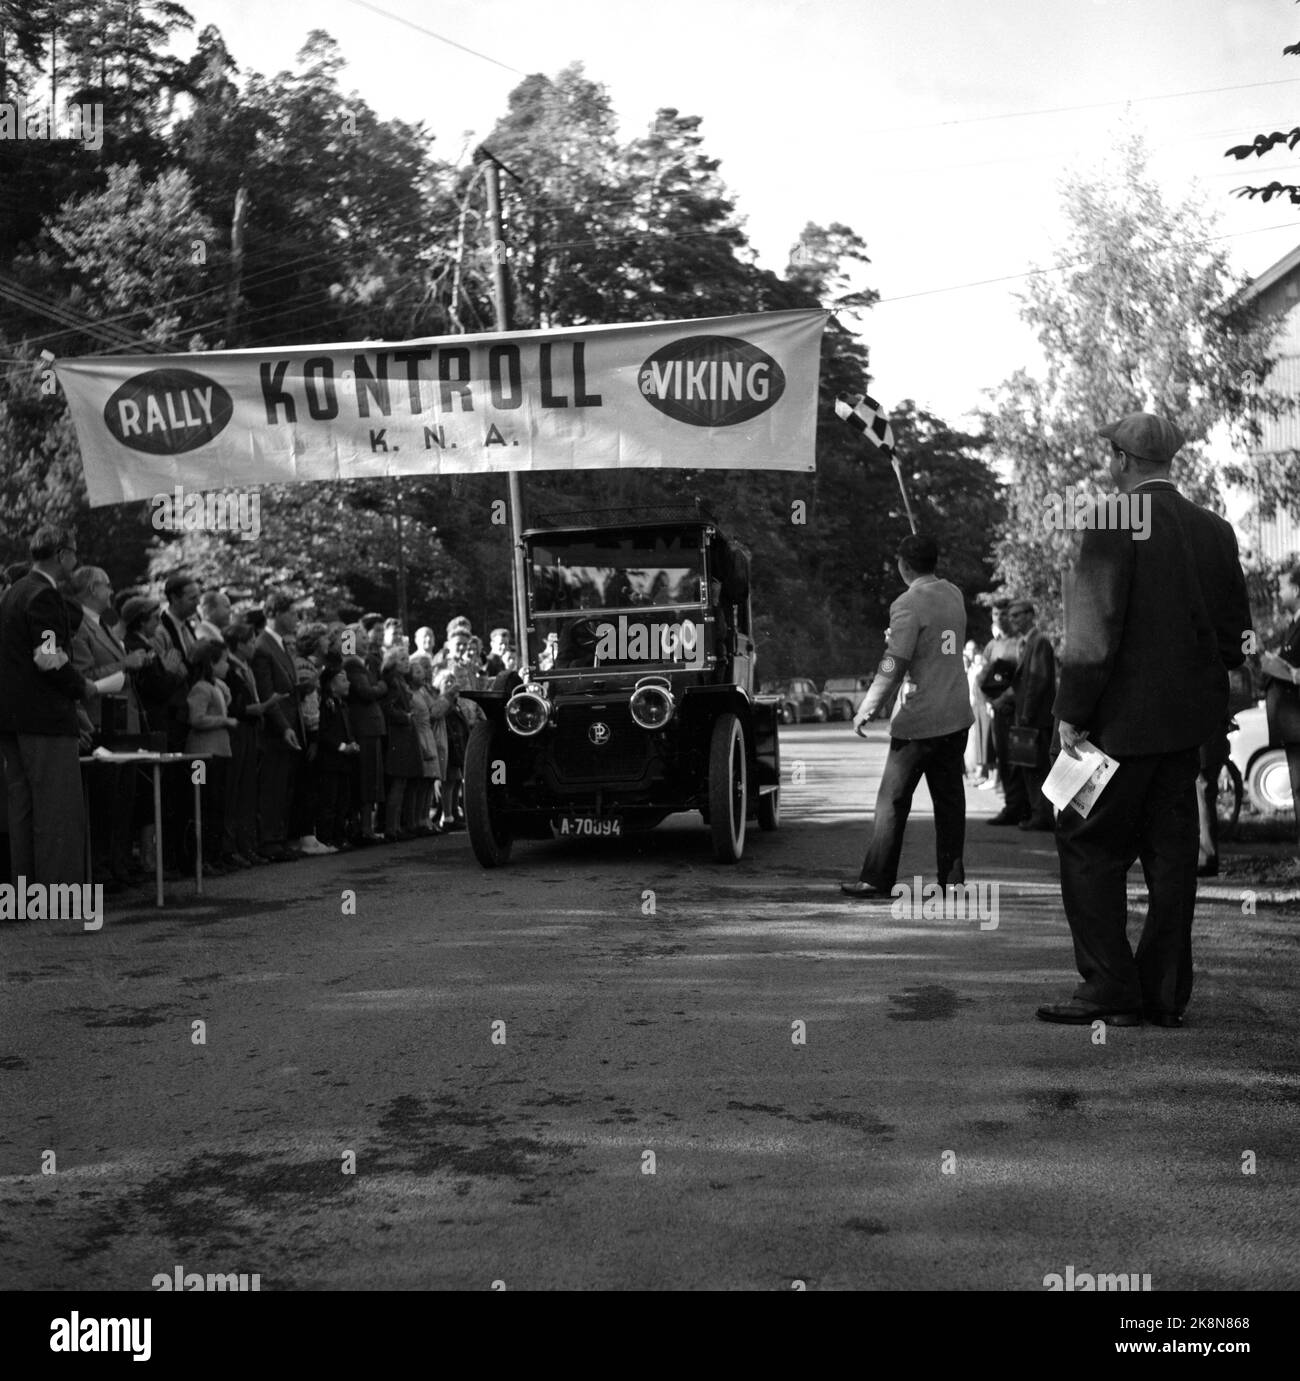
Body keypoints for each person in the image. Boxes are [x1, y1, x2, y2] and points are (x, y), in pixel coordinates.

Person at [1042, 411, 1251, 1027]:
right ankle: (1163, 993)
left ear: (1123, 462)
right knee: (1171, 858)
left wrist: (1071, 712)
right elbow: (1235, 635)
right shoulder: (1214, 529)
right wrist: (1217, 706)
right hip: (1186, 733)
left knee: (1085, 844)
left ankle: (1111, 987)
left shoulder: (1112, 519)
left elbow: (1093, 630)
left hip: (1114, 731)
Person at [841, 534, 974, 899]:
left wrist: (867, 707)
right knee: (950, 801)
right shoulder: (954, 594)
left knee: (892, 802)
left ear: (903, 565)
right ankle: (952, 879)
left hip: (920, 720)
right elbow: (935, 642)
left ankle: (877, 878)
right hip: (957, 713)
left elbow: (893, 664)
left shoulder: (906, 603)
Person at [0, 525, 98, 889]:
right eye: (74, 552)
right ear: (61, 554)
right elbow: (47, 656)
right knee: (58, 810)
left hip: (12, 720)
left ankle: (26, 895)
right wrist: (81, 686)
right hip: (44, 720)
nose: (76, 559)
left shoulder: (13, 593)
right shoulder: (43, 595)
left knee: (22, 811)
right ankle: (59, 896)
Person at [69, 566, 150, 886]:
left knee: (123, 799)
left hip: (123, 722)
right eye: (106, 586)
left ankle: (118, 864)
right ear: (91, 588)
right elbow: (84, 677)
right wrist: (124, 664)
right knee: (105, 800)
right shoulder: (79, 627)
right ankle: (102, 867)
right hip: (101, 721)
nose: (111, 591)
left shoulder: (101, 625)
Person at [251, 592, 306, 862]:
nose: (296, 618)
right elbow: (267, 693)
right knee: (272, 785)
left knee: (283, 785)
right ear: (275, 613)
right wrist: (284, 727)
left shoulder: (281, 646)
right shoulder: (263, 646)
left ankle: (278, 837)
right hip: (274, 730)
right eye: (292, 612)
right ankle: (269, 839)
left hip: (289, 725)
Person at [185, 638, 237, 877]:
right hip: (203, 753)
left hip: (219, 751)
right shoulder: (200, 688)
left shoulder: (216, 686)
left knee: (217, 806)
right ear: (211, 663)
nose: (228, 665)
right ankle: (202, 858)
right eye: (224, 660)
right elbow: (197, 718)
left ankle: (214, 856)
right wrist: (224, 720)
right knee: (203, 806)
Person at [1005, 600, 1057, 831]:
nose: (1013, 620)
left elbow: (1039, 680)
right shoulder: (1027, 643)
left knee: (1037, 769)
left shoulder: (1040, 642)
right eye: (1011, 616)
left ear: (1030, 615)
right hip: (1028, 716)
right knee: (1029, 767)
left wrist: (1026, 713)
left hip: (1036, 719)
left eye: (1017, 615)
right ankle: (1039, 813)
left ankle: (1043, 816)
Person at [1260, 566, 1300, 847]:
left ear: (1296, 590)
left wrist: (1280, 667)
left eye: (1283, 587)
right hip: (1292, 726)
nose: (1278, 592)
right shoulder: (1292, 626)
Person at [980, 602, 1021, 818]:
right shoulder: (991, 646)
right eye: (996, 613)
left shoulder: (1020, 643)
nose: (1001, 617)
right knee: (1003, 758)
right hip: (998, 712)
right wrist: (989, 700)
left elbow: (1025, 679)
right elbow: (982, 677)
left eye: (1004, 613)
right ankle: (1011, 805)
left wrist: (1005, 698)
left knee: (1020, 760)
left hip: (1017, 711)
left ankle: (1020, 807)